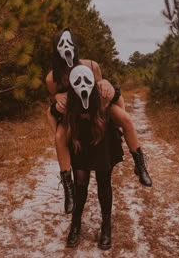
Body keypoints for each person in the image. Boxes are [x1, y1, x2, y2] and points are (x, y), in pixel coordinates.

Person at [46, 28, 152, 214]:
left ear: (75, 46)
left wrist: (107, 87)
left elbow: (102, 90)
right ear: (56, 49)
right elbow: (55, 102)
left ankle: (140, 164)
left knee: (126, 119)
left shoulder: (91, 65)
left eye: (69, 43)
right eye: (62, 44)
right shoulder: (52, 78)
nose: (67, 47)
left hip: (96, 108)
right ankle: (68, 187)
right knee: (59, 137)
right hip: (72, 113)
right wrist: (58, 98)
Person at [64, 65, 124, 249]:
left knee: (103, 184)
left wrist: (120, 125)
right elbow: (55, 113)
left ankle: (106, 226)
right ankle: (75, 224)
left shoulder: (102, 91)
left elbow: (120, 102)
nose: (82, 82)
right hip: (80, 144)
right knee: (80, 185)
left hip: (102, 142)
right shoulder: (70, 94)